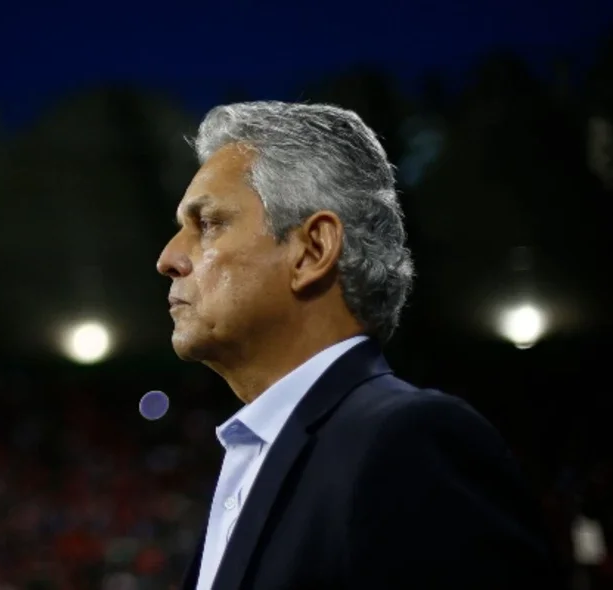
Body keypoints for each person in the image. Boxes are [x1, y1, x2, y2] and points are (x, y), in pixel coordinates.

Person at [156, 101, 559, 589]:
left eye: (210, 223)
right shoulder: (257, 453)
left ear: (313, 250)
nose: (170, 257)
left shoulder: (410, 441)